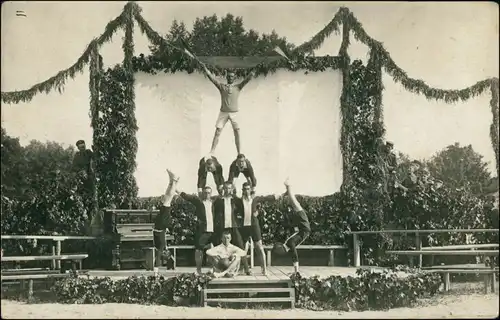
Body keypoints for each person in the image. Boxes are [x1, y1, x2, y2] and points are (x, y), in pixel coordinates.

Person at [199, 63, 256, 155]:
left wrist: (253, 72)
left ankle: (239, 152)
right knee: (218, 131)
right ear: (227, 77)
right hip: (223, 113)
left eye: (232, 77)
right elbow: (212, 79)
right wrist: (205, 69)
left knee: (237, 131)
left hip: (234, 113)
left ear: (234, 78)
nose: (230, 78)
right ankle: (212, 152)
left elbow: (247, 80)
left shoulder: (237, 87)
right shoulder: (222, 87)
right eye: (229, 76)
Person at [235, 182, 279, 275]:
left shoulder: (255, 199)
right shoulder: (239, 201)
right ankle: (242, 268)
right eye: (245, 189)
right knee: (243, 249)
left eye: (248, 189)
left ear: (250, 190)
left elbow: (266, 198)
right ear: (242, 190)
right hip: (244, 227)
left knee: (259, 247)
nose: (246, 191)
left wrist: (277, 196)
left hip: (254, 226)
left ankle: (264, 269)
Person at [178, 184, 218, 274]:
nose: (207, 194)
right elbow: (188, 197)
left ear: (211, 194)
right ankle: (198, 270)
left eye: (209, 193)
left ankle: (213, 269)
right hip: (203, 230)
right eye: (205, 193)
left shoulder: (214, 202)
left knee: (213, 249)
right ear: (202, 193)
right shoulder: (199, 202)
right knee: (199, 250)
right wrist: (177, 190)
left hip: (213, 231)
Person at [214, 181, 251, 275]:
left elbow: (243, 211)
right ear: (223, 189)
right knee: (219, 248)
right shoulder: (219, 200)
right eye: (226, 188)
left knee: (240, 247)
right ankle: (219, 268)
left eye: (229, 188)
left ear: (232, 189)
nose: (227, 190)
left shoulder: (236, 200)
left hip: (234, 227)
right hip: (223, 228)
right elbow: (215, 213)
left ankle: (246, 269)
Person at [275, 178, 311, 274]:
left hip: (303, 227)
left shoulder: (289, 243)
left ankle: (288, 188)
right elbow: (295, 256)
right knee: (295, 203)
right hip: (304, 227)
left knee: (294, 203)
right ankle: (289, 186)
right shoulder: (290, 244)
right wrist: (296, 271)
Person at [152, 169, 178, 268]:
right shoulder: (162, 248)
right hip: (162, 224)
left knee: (166, 200)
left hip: (161, 224)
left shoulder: (162, 247)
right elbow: (158, 257)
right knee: (167, 201)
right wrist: (156, 267)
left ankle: (172, 182)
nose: (166, 253)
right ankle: (174, 181)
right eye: (167, 254)